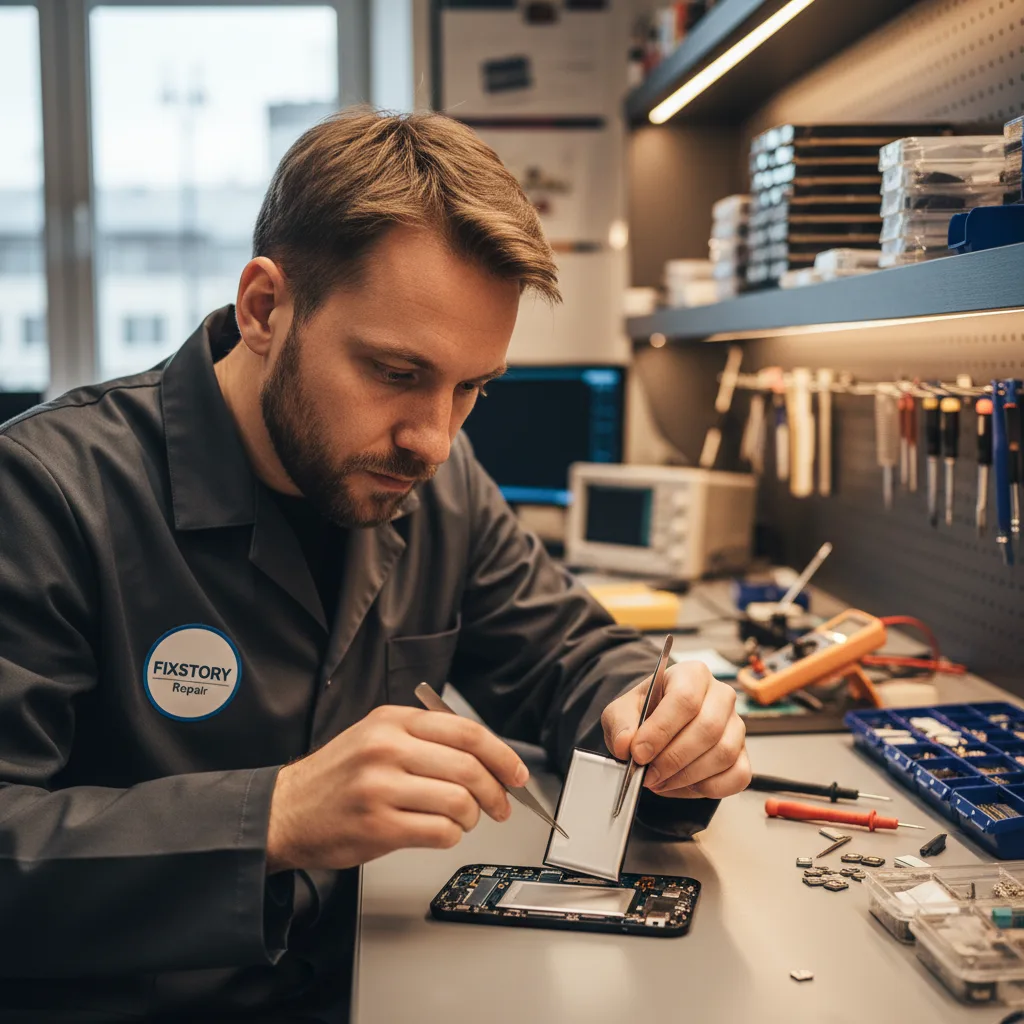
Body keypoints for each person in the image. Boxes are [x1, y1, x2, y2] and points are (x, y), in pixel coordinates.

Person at [0, 109, 750, 1022]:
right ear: (266, 309)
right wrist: (275, 815)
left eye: (471, 387)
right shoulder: (44, 493)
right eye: (397, 372)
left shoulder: (438, 483)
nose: (434, 438)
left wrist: (652, 716)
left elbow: (564, 652)